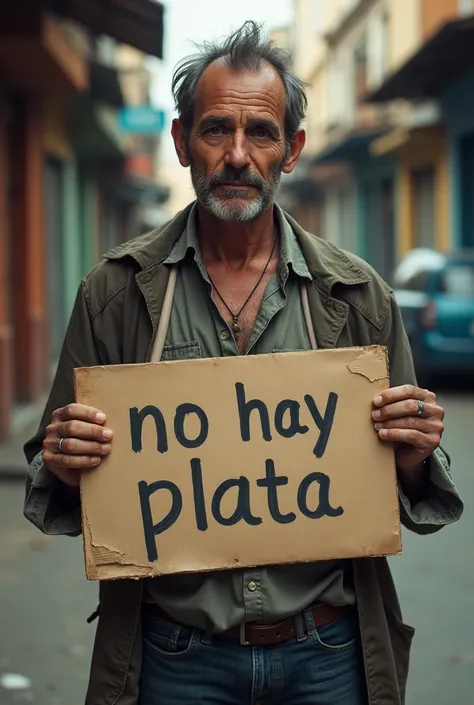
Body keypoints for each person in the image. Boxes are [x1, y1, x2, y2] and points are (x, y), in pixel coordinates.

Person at [24, 21, 463, 705]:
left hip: (330, 653)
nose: (236, 155)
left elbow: (403, 488)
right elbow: (63, 484)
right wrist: (62, 456)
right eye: (214, 130)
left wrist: (411, 450)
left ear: (292, 150)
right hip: (173, 658)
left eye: (259, 133)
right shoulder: (114, 292)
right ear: (180, 143)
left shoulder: (357, 295)